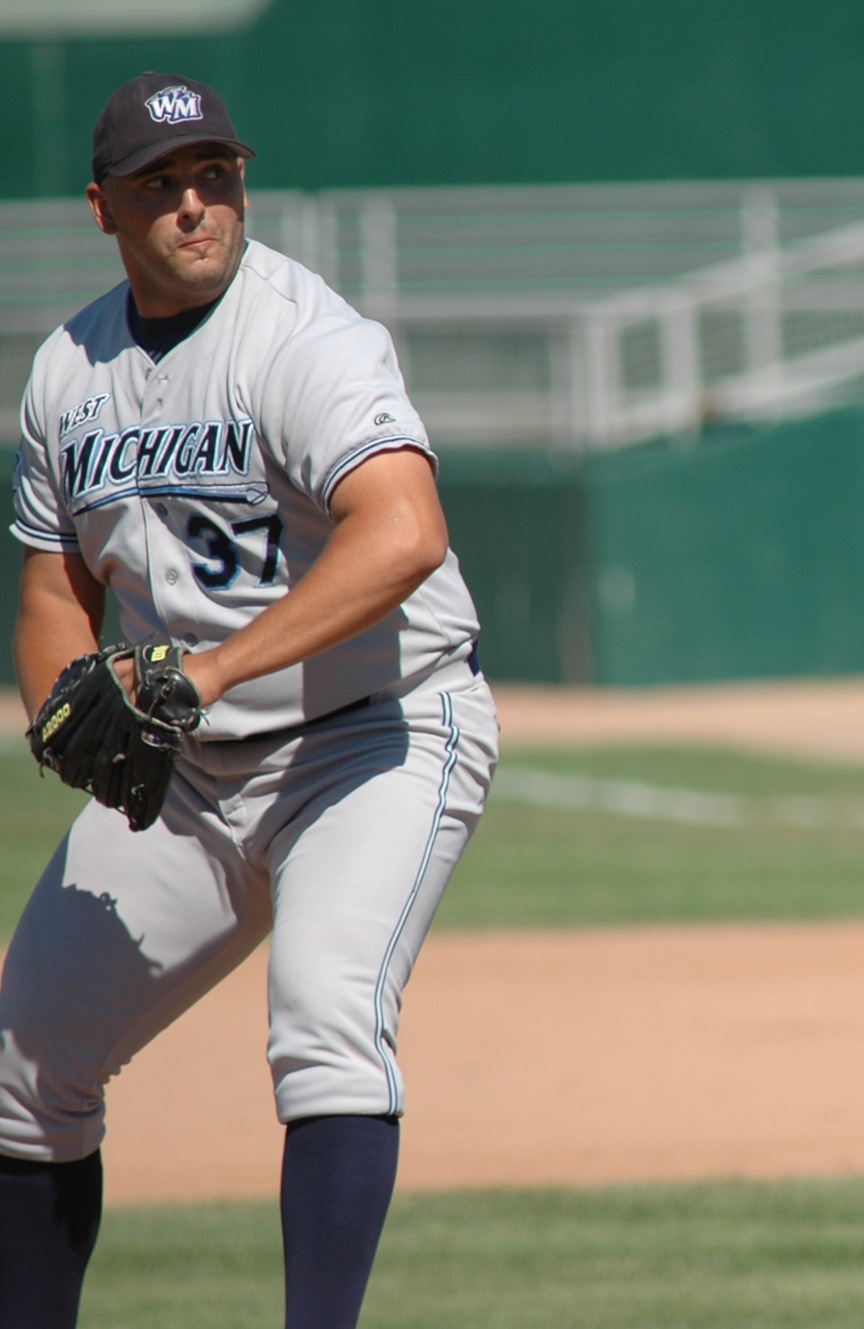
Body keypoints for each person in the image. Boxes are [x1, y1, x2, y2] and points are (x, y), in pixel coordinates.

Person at [0, 72, 497, 1328]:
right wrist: (63, 700)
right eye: (162, 185)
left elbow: (405, 533)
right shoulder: (69, 368)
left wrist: (205, 670)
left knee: (325, 1023)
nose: (195, 205)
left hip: (377, 738)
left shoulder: (305, 339)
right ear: (104, 206)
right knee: (20, 1068)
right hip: (193, 769)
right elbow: (55, 578)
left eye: (215, 176)